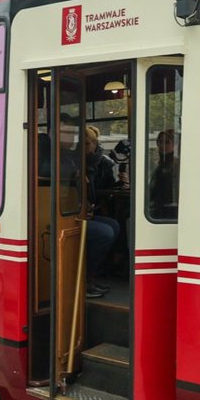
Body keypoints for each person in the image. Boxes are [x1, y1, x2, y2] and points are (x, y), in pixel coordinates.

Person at [81, 124, 122, 298]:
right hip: (75, 214)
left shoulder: (101, 163)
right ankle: (85, 278)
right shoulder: (74, 163)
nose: (83, 148)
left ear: (95, 144)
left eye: (87, 144)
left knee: (114, 225)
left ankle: (93, 273)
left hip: (87, 210)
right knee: (105, 232)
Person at [149, 129, 179, 219]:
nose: (162, 145)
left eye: (167, 142)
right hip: (157, 207)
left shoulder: (176, 166)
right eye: (160, 142)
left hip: (168, 211)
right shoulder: (159, 165)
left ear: (175, 144)